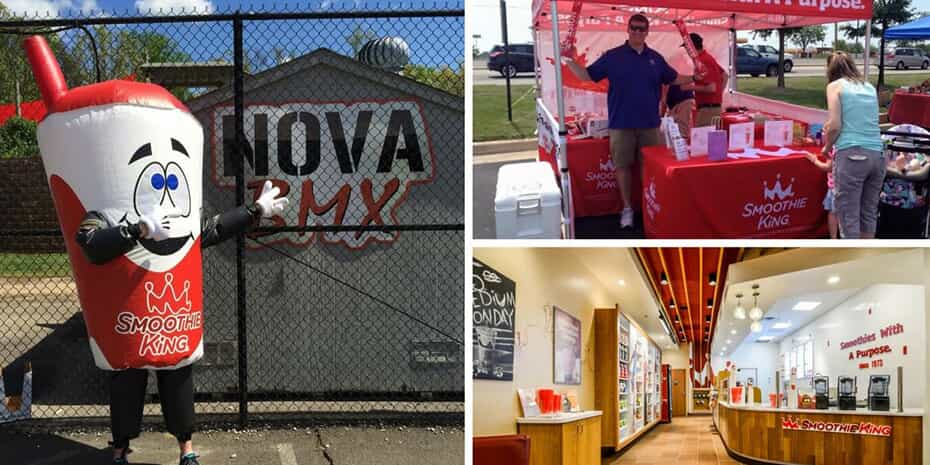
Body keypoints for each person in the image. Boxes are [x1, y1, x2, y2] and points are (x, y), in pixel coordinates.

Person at [563, 13, 699, 229]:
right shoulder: (613, 56)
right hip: (621, 124)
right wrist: (568, 60)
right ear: (627, 29)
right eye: (633, 28)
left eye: (641, 28)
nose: (637, 32)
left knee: (651, 169)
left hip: (650, 125)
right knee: (623, 167)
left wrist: (694, 77)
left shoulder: (655, 58)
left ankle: (648, 206)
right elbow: (587, 76)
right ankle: (627, 208)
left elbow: (673, 78)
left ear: (647, 32)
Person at [823, 51, 884, 239]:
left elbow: (834, 125)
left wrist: (826, 147)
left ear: (830, 70)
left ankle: (850, 258)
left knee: (848, 216)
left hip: (852, 154)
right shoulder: (868, 86)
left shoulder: (834, 87)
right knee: (868, 213)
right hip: (877, 155)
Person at [682, 33, 727, 128]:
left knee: (702, 140)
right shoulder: (707, 58)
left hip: (707, 109)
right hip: (712, 108)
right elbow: (725, 75)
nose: (686, 50)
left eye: (686, 47)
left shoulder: (703, 60)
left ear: (691, 47)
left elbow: (711, 88)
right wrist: (718, 95)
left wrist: (689, 87)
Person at [804, 150, 839, 238]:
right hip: (854, 185)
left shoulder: (838, 146)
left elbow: (828, 167)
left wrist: (815, 160)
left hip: (838, 187)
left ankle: (834, 239)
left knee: (833, 212)